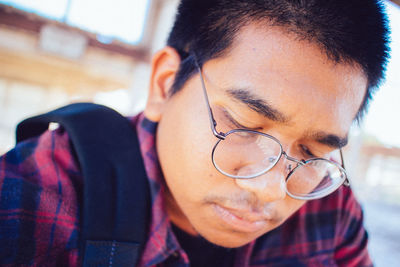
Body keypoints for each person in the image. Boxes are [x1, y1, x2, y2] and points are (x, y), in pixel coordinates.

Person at [0, 0, 390, 266]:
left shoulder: (330, 211)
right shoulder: (28, 203)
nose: (270, 190)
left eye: (310, 152)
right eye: (243, 126)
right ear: (164, 84)